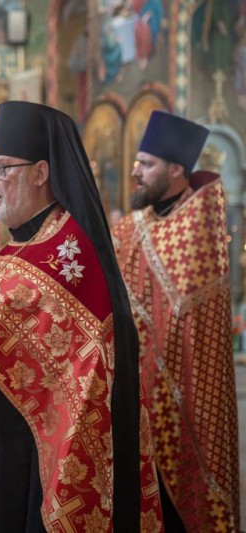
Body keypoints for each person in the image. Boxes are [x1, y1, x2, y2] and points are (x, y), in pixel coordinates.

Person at [0, 101, 163, 532]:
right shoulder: (22, 243)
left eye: (2, 169)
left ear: (40, 172)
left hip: (24, 461)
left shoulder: (71, 252)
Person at [112, 111, 239, 532]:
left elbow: (184, 319)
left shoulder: (199, 224)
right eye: (137, 162)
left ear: (176, 170)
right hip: (137, 393)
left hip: (187, 394)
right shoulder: (135, 225)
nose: (135, 172)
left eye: (146, 164)